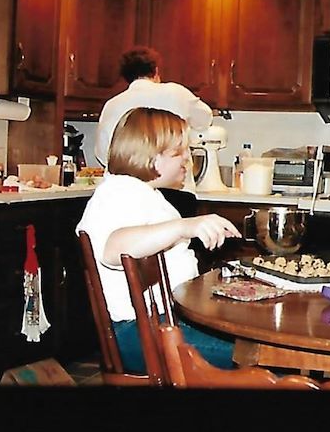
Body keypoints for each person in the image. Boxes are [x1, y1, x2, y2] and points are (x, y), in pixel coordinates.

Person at [77, 107, 241, 373]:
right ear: (151, 157)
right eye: (179, 152)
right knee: (267, 359)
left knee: (254, 346)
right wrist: (183, 227)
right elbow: (114, 249)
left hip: (162, 325)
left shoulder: (145, 194)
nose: (187, 160)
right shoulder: (118, 193)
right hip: (138, 335)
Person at [94, 45, 214, 217]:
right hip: (175, 192)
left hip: (124, 194)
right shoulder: (176, 93)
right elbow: (205, 119)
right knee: (178, 241)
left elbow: (102, 152)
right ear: (156, 71)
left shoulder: (112, 104)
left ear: (126, 77)